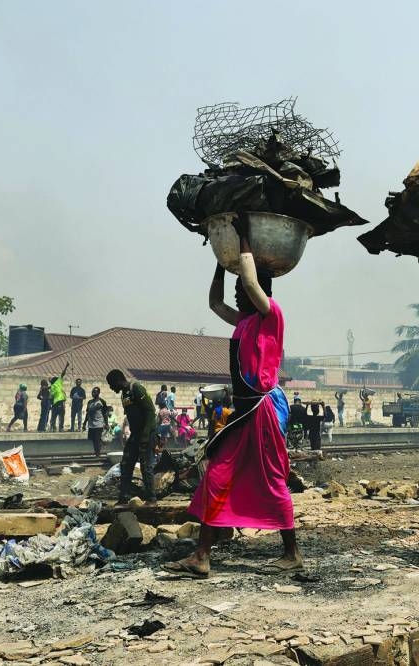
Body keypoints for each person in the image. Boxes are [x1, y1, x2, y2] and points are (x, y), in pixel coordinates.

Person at [165, 215, 300, 578]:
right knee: (216, 475)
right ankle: (201, 556)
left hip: (263, 410)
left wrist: (241, 238)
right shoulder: (243, 322)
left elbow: (253, 282)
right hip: (244, 412)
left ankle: (292, 553)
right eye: (238, 289)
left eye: (243, 289)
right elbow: (214, 303)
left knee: (272, 479)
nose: (240, 294)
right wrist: (219, 260)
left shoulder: (271, 315)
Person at [106, 369, 157, 505]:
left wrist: (145, 435)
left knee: (146, 466)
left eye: (111, 384)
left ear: (118, 380)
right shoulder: (124, 394)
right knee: (126, 463)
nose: (111, 388)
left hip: (147, 433)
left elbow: (150, 412)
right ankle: (124, 497)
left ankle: (151, 499)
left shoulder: (136, 389)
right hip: (135, 434)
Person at [83, 387, 109, 456]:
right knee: (93, 439)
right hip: (91, 424)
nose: (93, 393)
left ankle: (97, 454)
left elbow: (105, 414)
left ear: (98, 393)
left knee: (97, 439)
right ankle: (97, 450)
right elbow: (87, 413)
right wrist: (84, 423)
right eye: (92, 392)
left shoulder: (102, 402)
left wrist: (106, 424)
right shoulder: (90, 402)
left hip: (99, 424)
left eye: (95, 392)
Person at [48, 364, 69, 432]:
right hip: (61, 402)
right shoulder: (58, 383)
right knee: (61, 416)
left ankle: (54, 428)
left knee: (54, 416)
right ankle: (60, 428)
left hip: (56, 403)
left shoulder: (53, 386)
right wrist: (66, 367)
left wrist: (50, 404)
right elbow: (62, 374)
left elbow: (51, 397)